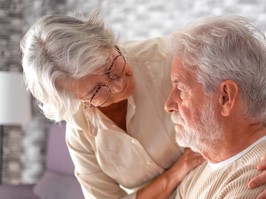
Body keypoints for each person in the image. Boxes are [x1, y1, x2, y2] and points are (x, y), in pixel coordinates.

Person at [20, 11, 265, 199]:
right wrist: (173, 176)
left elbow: (251, 85)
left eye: (111, 66)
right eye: (96, 90)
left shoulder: (170, 59)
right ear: (78, 102)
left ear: (108, 43)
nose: (117, 87)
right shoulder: (80, 132)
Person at [164, 15, 266, 198]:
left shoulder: (256, 179)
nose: (168, 105)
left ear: (225, 97)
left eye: (180, 89)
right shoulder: (196, 175)